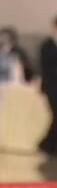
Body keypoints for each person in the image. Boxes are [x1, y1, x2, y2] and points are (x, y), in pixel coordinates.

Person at [39, 16, 57, 155]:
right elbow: (46, 67)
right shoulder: (47, 45)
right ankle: (46, 144)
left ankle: (48, 144)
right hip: (51, 86)